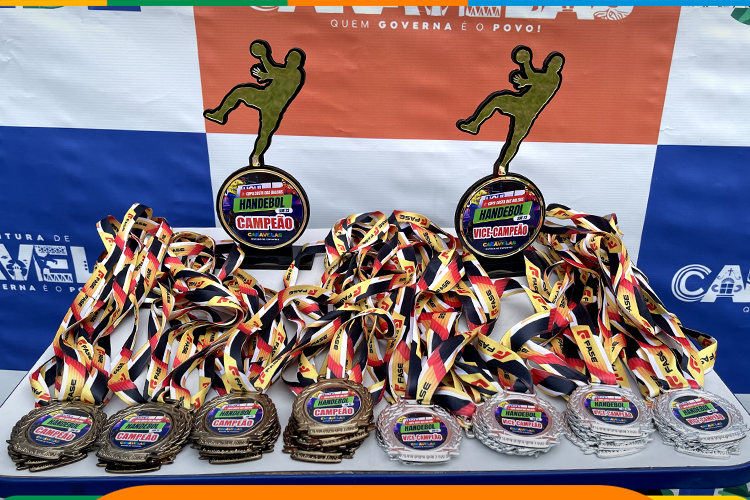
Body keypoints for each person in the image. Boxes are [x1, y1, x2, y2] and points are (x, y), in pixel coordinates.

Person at [457, 46, 564, 175]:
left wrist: (526, 62)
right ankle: (474, 125)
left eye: (556, 63)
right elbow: (533, 79)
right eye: (552, 61)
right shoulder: (543, 77)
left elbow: (533, 78)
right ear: (548, 63)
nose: (552, 64)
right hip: (519, 103)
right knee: (496, 100)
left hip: (527, 113)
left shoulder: (554, 79)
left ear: (559, 67)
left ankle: (502, 165)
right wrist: (525, 79)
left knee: (514, 140)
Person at [204, 40, 306, 166]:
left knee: (264, 134)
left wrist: (263, 56)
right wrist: (265, 75)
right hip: (263, 97)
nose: (290, 60)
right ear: (287, 58)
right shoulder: (283, 71)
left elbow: (274, 72)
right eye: (290, 57)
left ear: (298, 63)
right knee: (239, 92)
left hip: (273, 108)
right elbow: (273, 73)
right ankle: (220, 114)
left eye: (294, 59)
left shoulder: (296, 74)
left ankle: (256, 157)